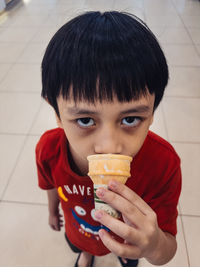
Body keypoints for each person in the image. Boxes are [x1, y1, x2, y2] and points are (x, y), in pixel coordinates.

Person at [35, 11, 182, 267]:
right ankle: (87, 252)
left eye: (130, 119)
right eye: (85, 120)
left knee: (127, 251)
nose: (109, 147)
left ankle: (123, 253)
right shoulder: (49, 149)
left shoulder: (163, 164)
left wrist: (154, 243)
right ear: (57, 114)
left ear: (152, 113)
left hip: (128, 241)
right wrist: (52, 211)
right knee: (83, 244)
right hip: (78, 229)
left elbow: (166, 249)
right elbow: (50, 184)